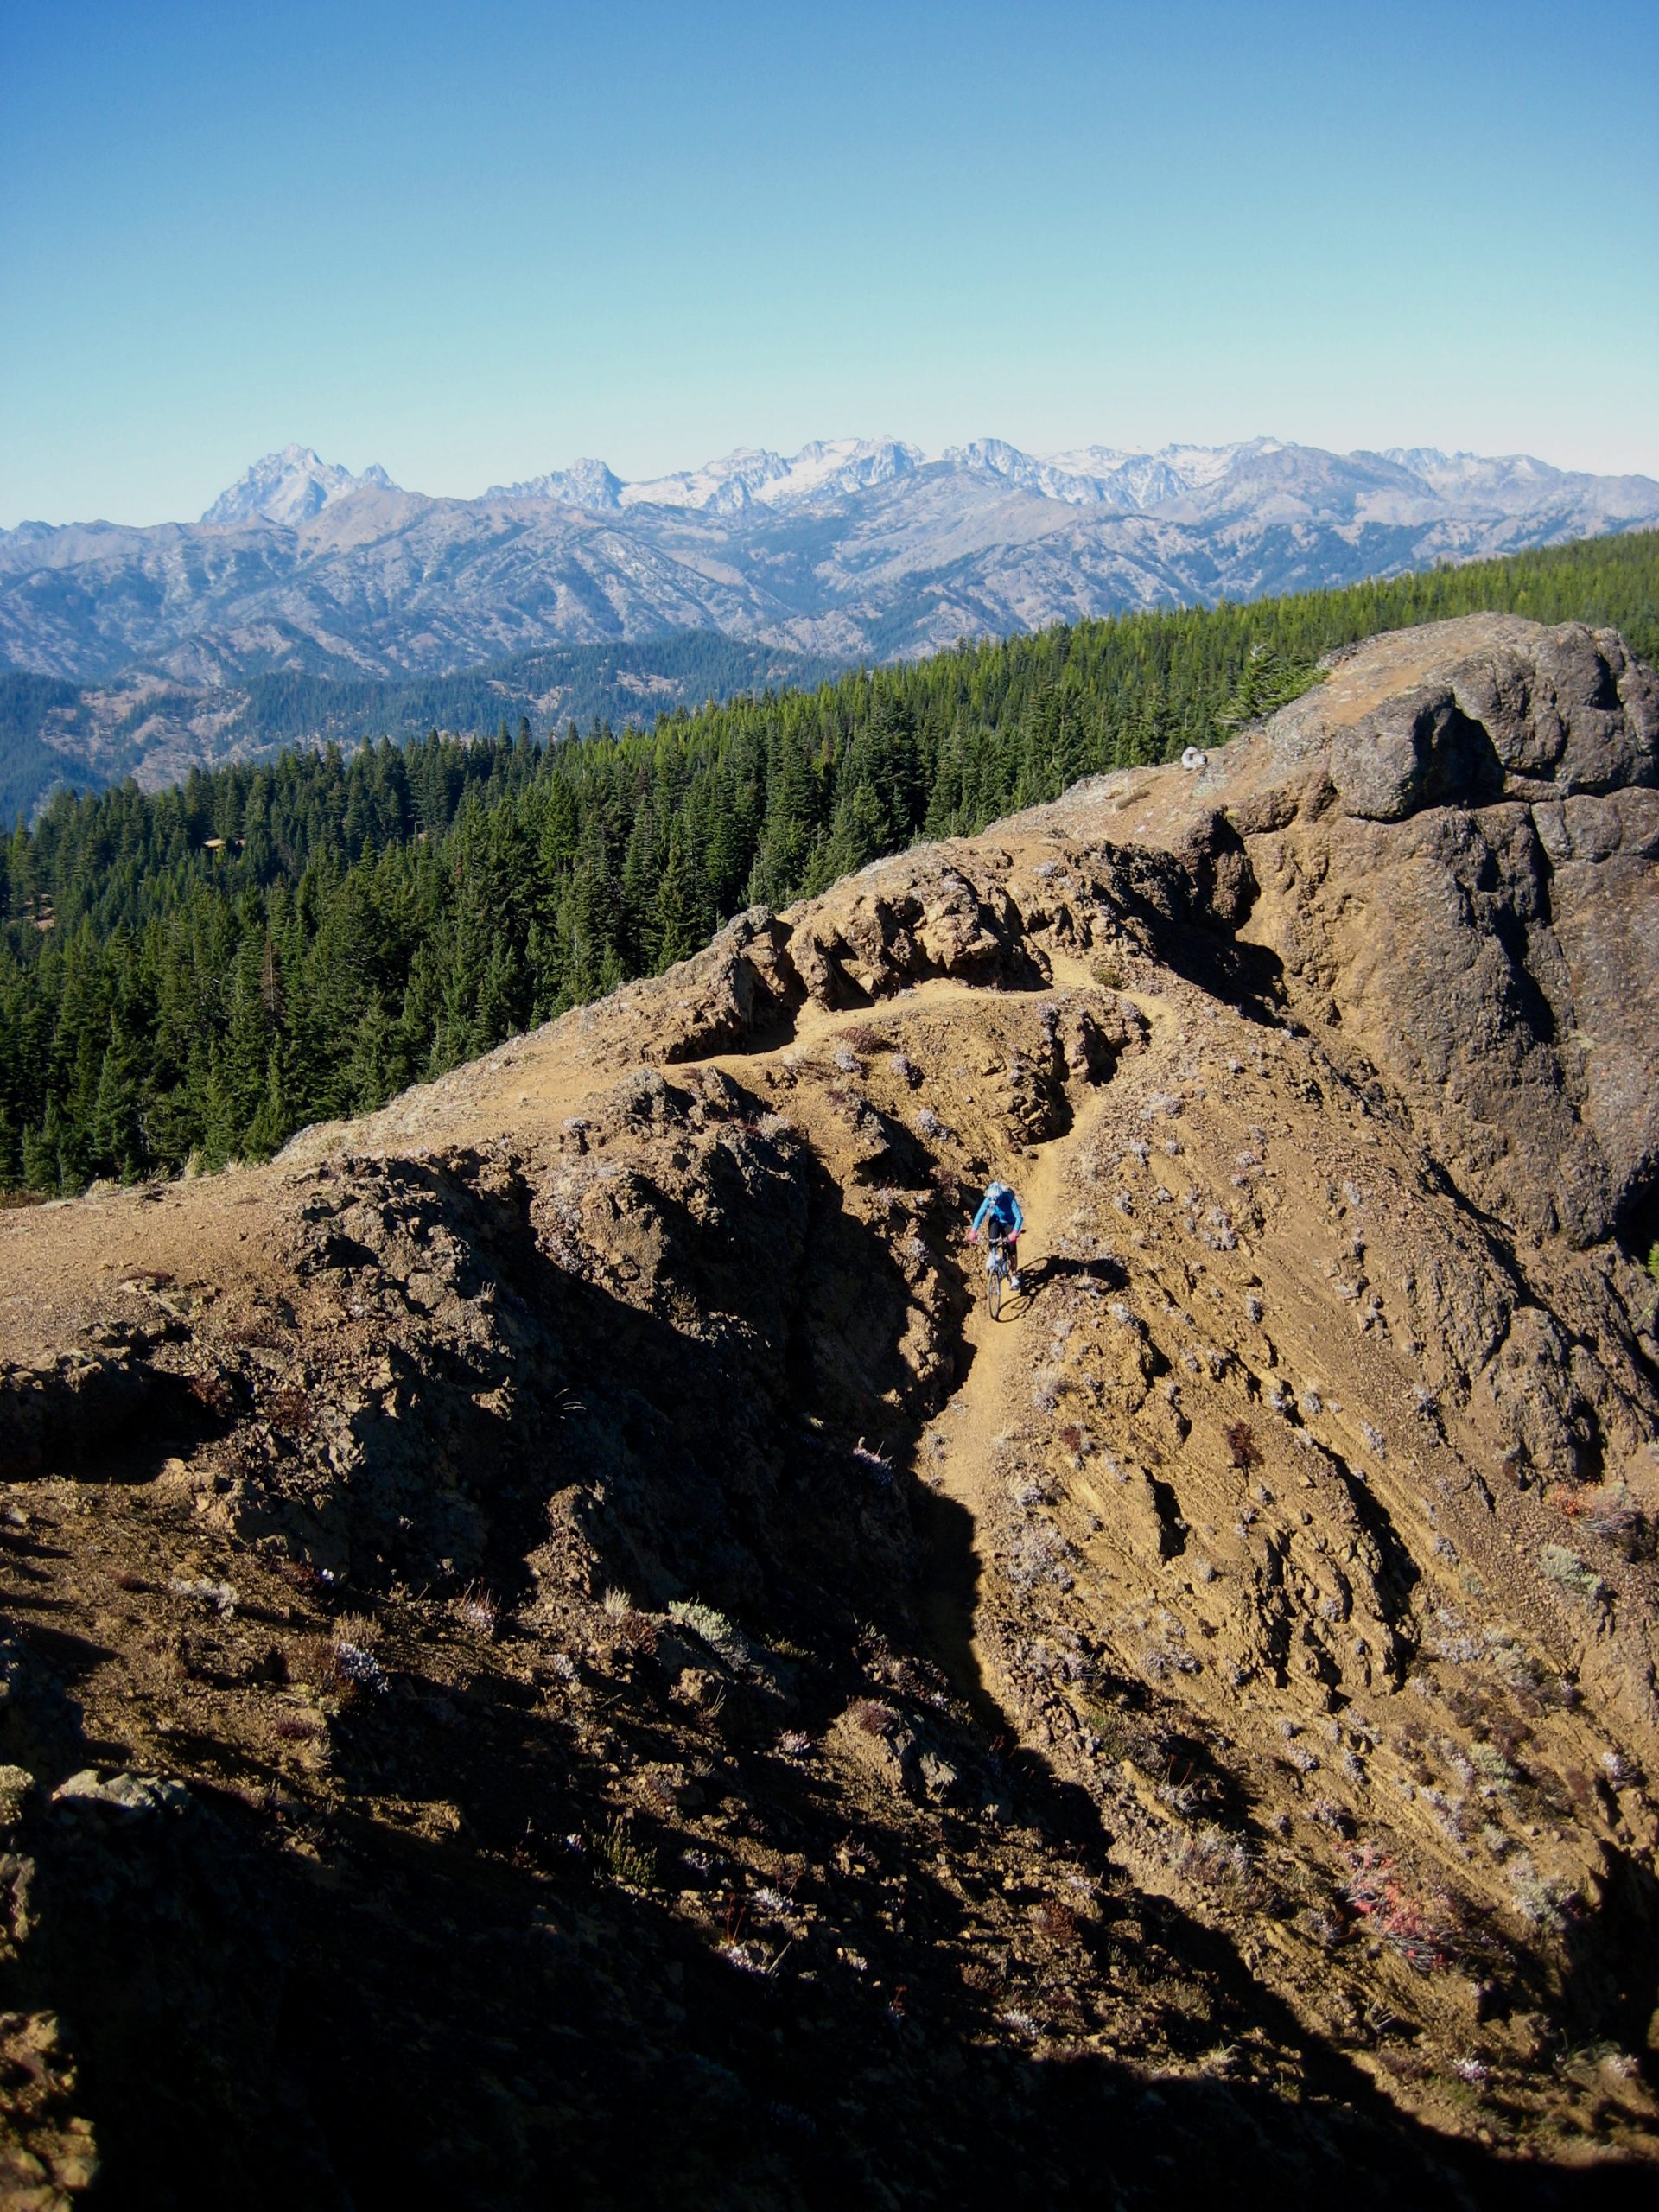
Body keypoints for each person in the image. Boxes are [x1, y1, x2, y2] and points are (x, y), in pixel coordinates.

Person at [968, 1179, 1025, 1291]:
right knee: (992, 1239)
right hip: (996, 1221)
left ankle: (1013, 1277)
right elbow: (981, 1214)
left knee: (1011, 1249)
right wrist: (973, 1231)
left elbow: (1019, 1217)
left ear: (1001, 1197)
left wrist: (1014, 1232)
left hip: (1009, 1222)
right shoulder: (989, 1199)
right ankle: (993, 1254)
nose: (995, 1204)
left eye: (997, 1202)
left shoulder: (1008, 1198)